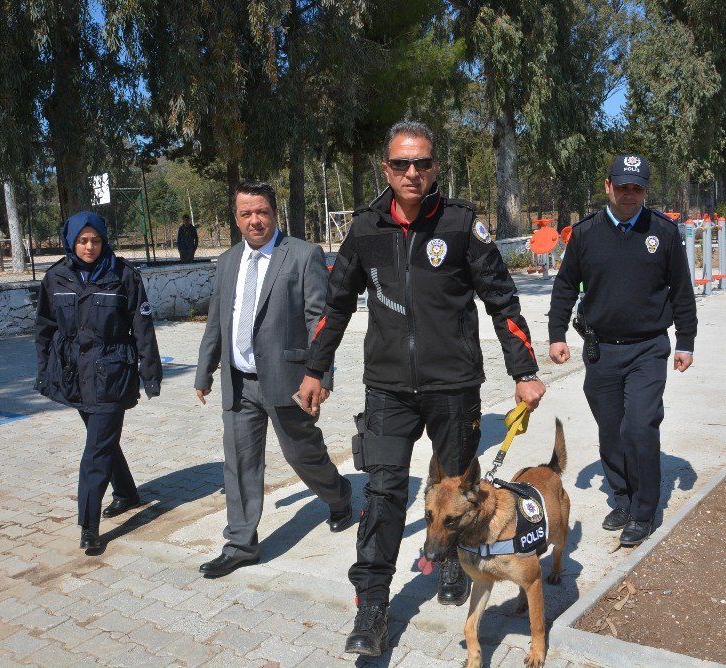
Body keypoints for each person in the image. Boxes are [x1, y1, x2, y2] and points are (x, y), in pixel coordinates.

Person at [298, 120, 546, 657]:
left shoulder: (461, 225)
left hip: (454, 387)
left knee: (456, 490)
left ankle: (456, 566)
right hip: (387, 387)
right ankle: (372, 608)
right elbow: (336, 304)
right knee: (385, 492)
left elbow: (502, 300)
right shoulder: (364, 229)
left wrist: (524, 371)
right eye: (401, 164)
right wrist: (315, 369)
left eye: (423, 163)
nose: (412, 173)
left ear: (435, 168)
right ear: (385, 168)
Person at [194, 181, 353, 579]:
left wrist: (322, 375)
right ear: (236, 218)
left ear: (275, 213)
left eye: (261, 212)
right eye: (246, 213)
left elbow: (320, 319)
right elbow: (218, 319)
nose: (255, 220)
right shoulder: (228, 261)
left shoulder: (302, 255)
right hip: (239, 382)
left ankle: (339, 495)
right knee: (240, 463)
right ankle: (241, 543)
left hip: (288, 380)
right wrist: (204, 370)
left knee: (302, 454)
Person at [547, 154, 697, 548]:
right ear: (608, 186)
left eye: (638, 188)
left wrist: (686, 341)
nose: (630, 195)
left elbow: (682, 291)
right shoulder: (585, 234)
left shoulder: (663, 233)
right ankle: (624, 497)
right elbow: (565, 286)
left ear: (645, 191)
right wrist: (556, 334)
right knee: (611, 430)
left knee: (639, 427)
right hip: (601, 351)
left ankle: (645, 512)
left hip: (648, 349)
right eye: (623, 186)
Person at [35, 211, 163, 553]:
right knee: (102, 441)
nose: (89, 247)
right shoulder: (56, 277)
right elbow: (45, 329)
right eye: (82, 240)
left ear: (104, 240)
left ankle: (89, 525)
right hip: (74, 376)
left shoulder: (123, 276)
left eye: (95, 240)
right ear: (71, 242)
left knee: (95, 450)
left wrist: (150, 374)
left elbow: (143, 329)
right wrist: (44, 372)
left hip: (112, 375)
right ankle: (126, 493)